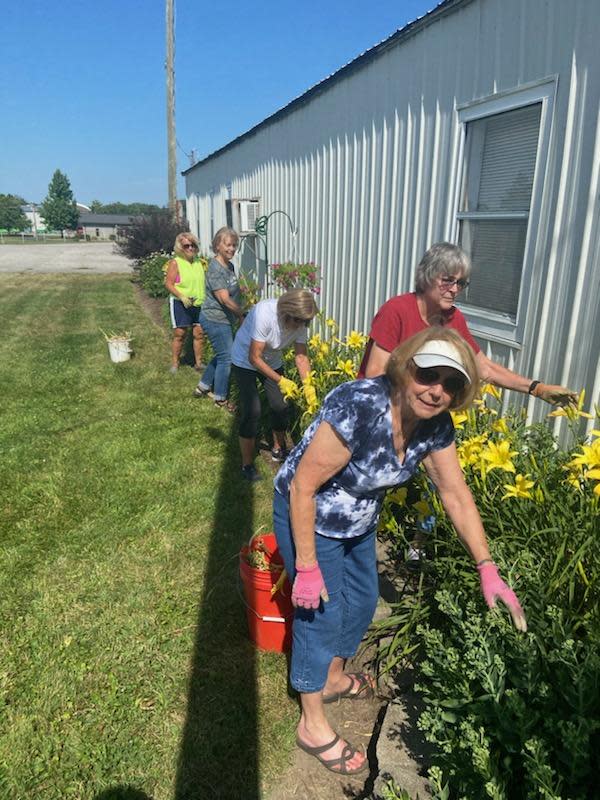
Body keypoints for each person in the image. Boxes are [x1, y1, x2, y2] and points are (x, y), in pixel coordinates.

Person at [273, 327, 527, 775]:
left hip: (359, 519)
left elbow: (455, 494)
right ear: (405, 367)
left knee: (364, 600)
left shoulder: (435, 425)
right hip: (309, 513)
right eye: (428, 375)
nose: (437, 391)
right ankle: (311, 723)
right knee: (321, 612)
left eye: (452, 384)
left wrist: (487, 567)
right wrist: (308, 566)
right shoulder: (360, 405)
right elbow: (303, 485)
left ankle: (332, 676)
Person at [358, 242, 577, 406]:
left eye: (461, 283)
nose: (454, 289)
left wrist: (538, 389)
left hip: (420, 410)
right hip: (378, 406)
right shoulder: (397, 310)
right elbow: (375, 373)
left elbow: (484, 367)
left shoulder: (453, 318)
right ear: (426, 276)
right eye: (447, 280)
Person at [231, 289, 319, 482]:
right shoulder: (265, 313)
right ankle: (247, 464)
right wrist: (282, 381)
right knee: (252, 411)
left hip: (271, 361)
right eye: (298, 321)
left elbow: (301, 357)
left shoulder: (300, 322)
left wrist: (309, 387)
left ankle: (279, 448)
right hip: (245, 360)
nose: (301, 326)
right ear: (287, 312)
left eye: (305, 322)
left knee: (281, 405)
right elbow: (254, 357)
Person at [193, 227, 244, 412]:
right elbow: (223, 298)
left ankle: (204, 385)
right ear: (217, 245)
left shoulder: (229, 266)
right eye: (228, 245)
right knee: (227, 357)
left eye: (234, 245)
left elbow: (232, 293)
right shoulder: (215, 268)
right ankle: (220, 398)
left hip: (224, 318)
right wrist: (241, 314)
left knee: (222, 354)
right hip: (214, 318)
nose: (231, 249)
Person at [163, 232, 205, 374]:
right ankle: (175, 363)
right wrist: (181, 296)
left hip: (198, 303)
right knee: (180, 334)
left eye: (193, 245)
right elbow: (168, 284)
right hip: (181, 303)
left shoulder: (199, 262)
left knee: (199, 333)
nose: (190, 248)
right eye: (186, 245)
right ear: (180, 247)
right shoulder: (176, 263)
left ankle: (199, 363)